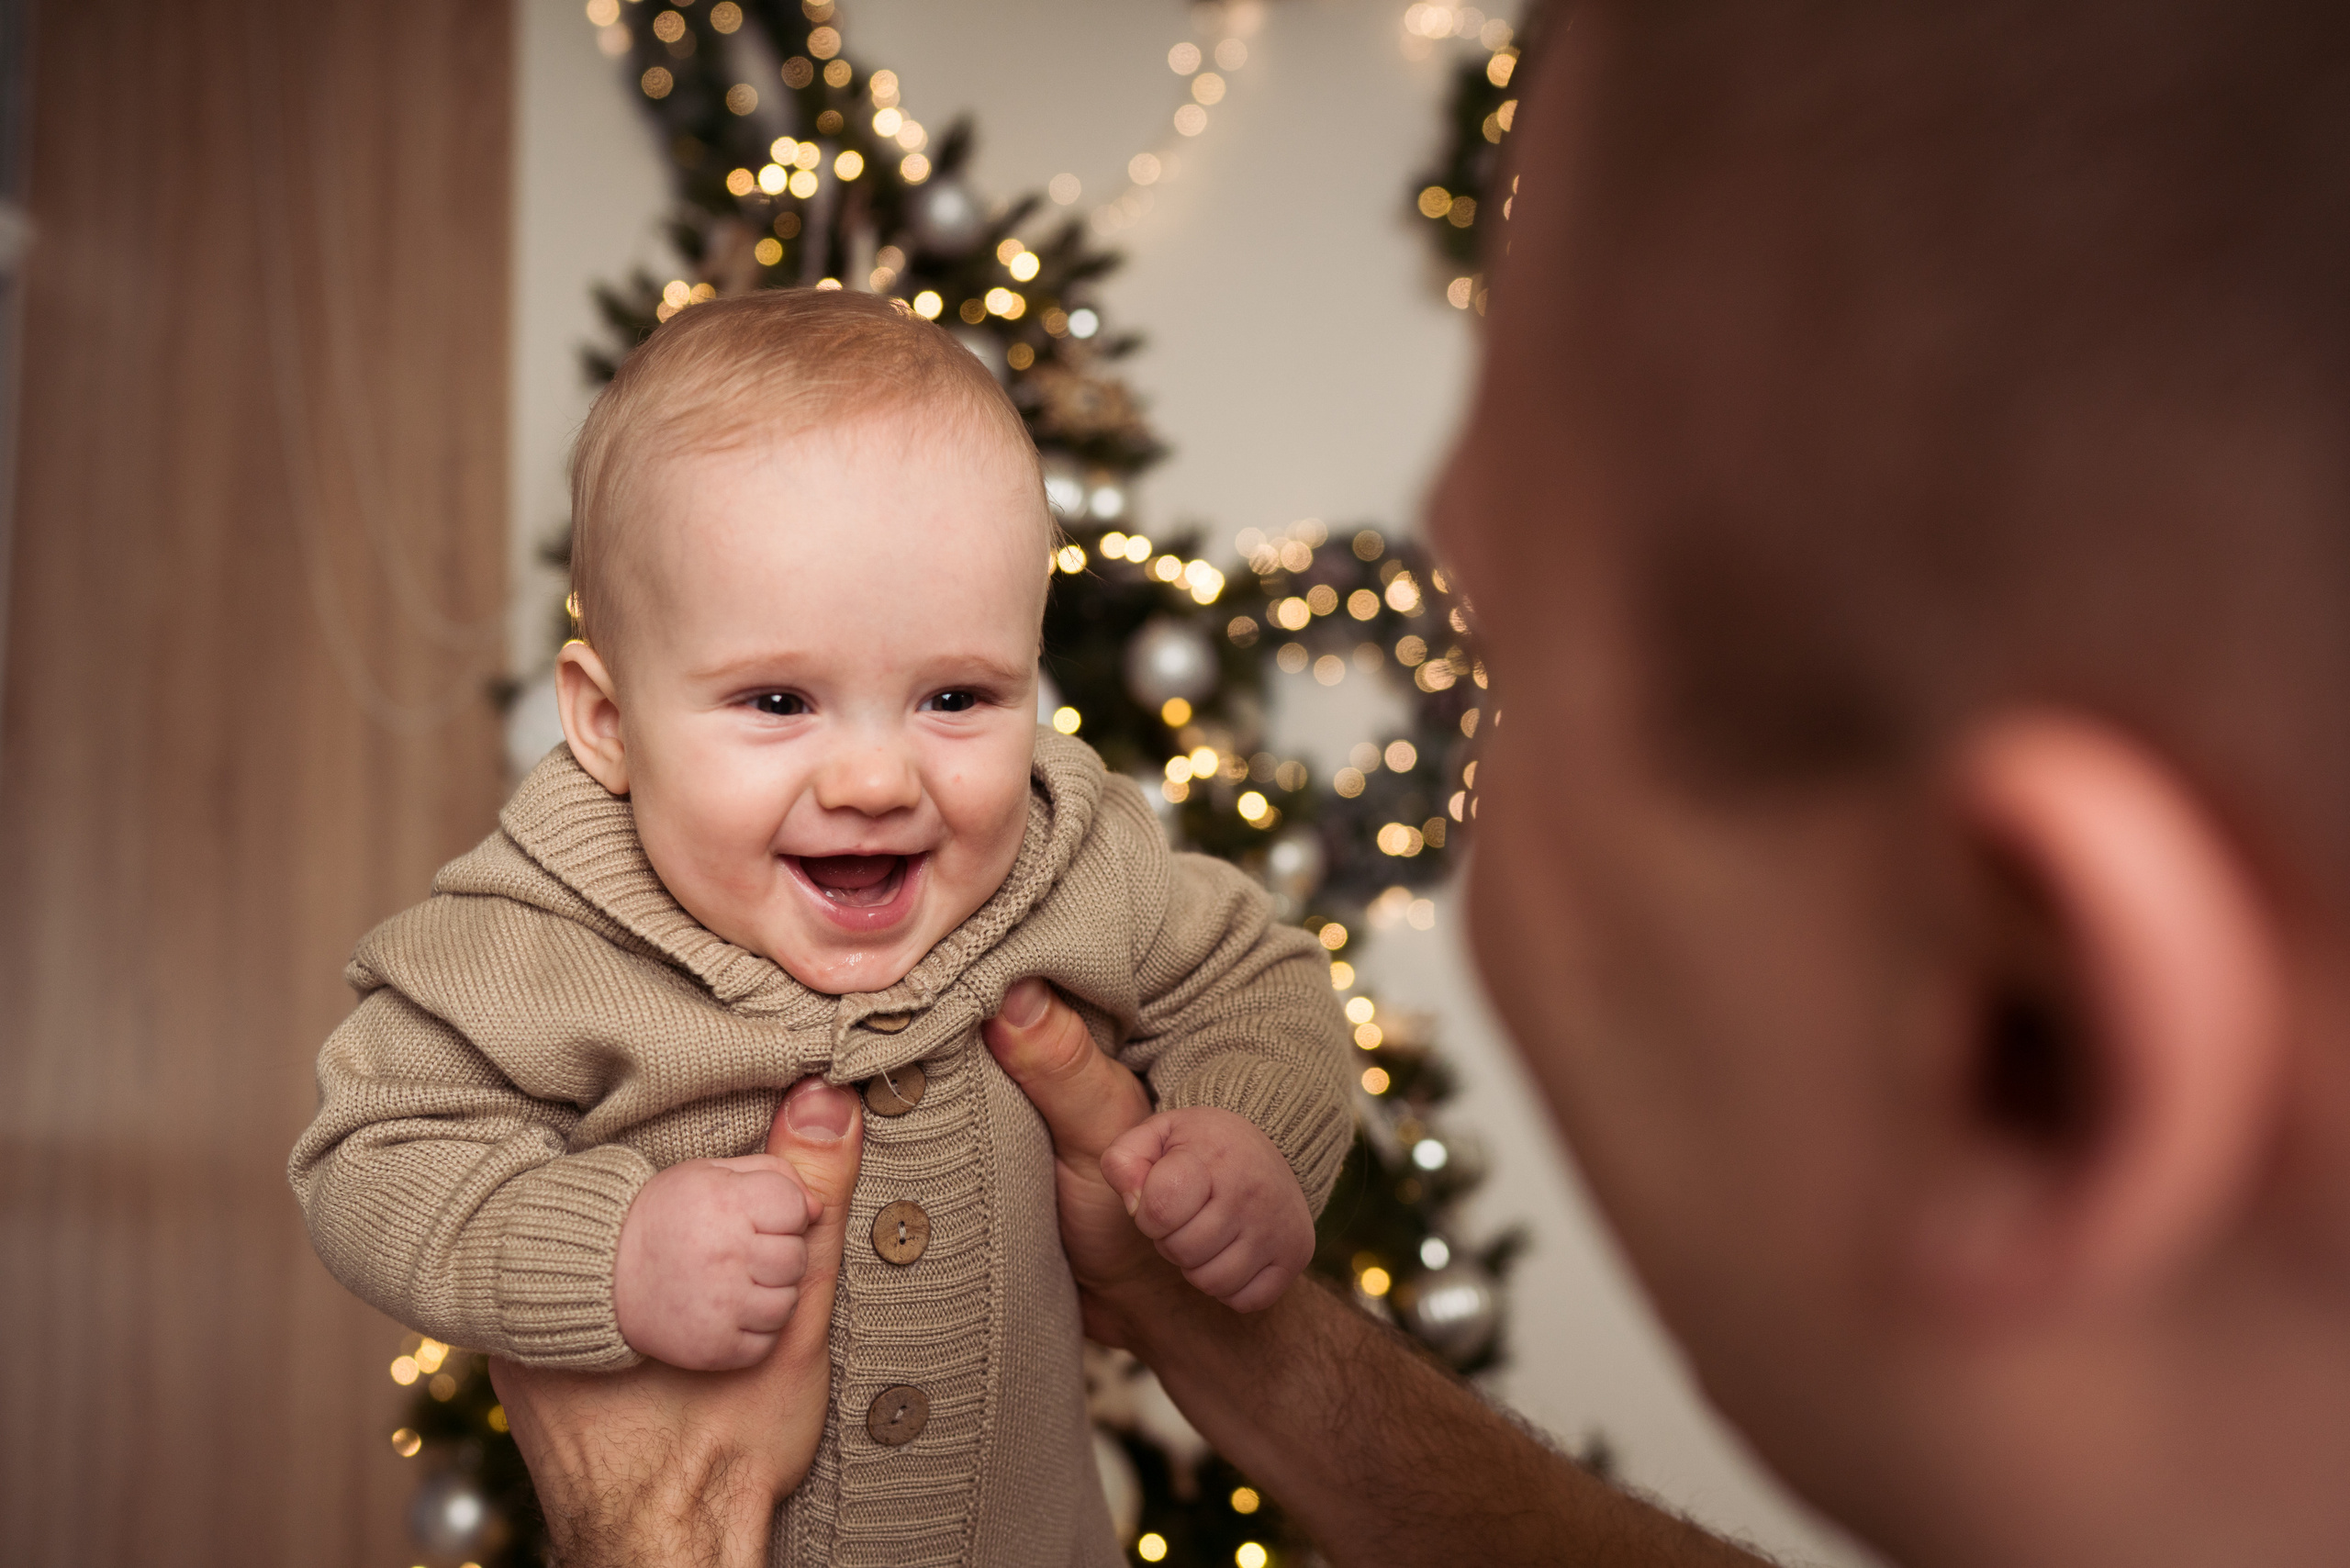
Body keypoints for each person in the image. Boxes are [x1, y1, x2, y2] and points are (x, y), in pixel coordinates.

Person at [499, 2, 2350, 1564]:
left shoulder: (1088, 876)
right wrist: (1228, 1331)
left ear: (2022, 1035)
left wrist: (664, 1534)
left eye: (1497, 664)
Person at [286, 289, 1354, 1567]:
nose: (874, 781)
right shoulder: (538, 939)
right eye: (779, 702)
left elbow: (1254, 974)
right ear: (609, 725)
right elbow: (371, 1152)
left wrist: (1251, 1134)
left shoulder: (1067, 859)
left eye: (955, 698)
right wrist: (613, 1254)